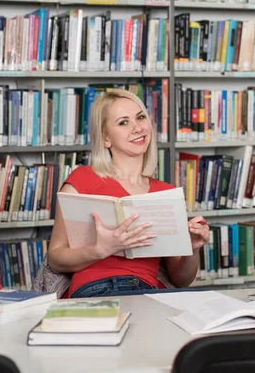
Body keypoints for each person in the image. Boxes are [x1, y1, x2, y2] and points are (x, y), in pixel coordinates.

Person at [48, 89, 210, 298]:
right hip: (96, 288)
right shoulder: (83, 179)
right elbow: (55, 258)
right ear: (106, 138)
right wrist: (100, 250)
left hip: (146, 291)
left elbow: (181, 280)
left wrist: (192, 249)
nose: (137, 128)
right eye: (123, 122)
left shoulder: (165, 193)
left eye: (140, 117)